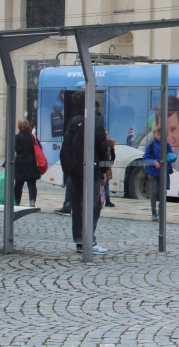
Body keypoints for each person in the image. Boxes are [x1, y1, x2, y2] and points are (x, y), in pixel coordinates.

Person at [61, 91, 110, 255]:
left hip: (76, 170)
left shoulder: (73, 120)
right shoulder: (96, 120)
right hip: (92, 168)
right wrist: (104, 170)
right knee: (94, 205)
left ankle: (80, 241)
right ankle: (90, 240)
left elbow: (66, 146)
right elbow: (102, 147)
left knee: (77, 205)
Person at [143, 123, 174, 222]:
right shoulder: (150, 145)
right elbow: (145, 158)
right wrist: (153, 162)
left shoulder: (167, 144)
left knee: (163, 192)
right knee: (155, 191)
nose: (160, 136)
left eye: (162, 134)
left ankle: (161, 211)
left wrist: (170, 160)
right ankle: (153, 212)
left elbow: (170, 155)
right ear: (154, 134)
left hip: (163, 172)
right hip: (153, 172)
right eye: (158, 134)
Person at [14, 119, 41, 207]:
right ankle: (32, 201)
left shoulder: (16, 137)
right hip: (31, 163)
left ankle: (17, 201)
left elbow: (11, 150)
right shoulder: (32, 137)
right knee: (32, 184)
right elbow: (39, 147)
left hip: (19, 164)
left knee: (18, 185)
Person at [104, 129, 116, 207]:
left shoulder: (109, 144)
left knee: (106, 184)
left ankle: (107, 200)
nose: (106, 136)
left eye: (107, 134)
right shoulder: (100, 143)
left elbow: (113, 155)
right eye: (105, 134)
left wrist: (111, 162)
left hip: (106, 166)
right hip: (101, 166)